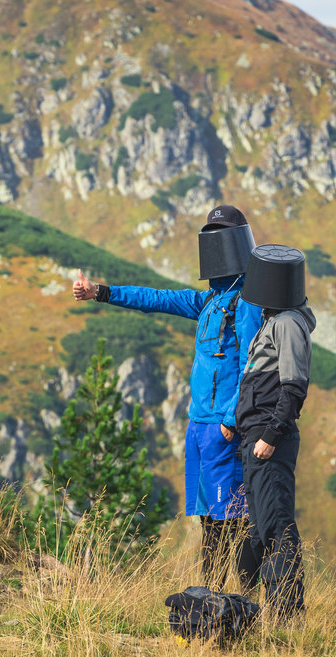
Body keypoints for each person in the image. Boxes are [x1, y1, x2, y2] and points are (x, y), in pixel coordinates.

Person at [72, 204, 260, 582]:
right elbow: (155, 299)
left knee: (233, 521)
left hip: (223, 430)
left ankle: (239, 602)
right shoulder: (208, 301)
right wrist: (101, 292)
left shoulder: (247, 303)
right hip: (198, 427)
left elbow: (250, 365)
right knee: (209, 520)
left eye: (220, 232)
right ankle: (211, 599)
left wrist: (230, 420)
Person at [235, 244, 316, 620]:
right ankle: (252, 610)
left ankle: (287, 615)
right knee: (260, 528)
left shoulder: (286, 323)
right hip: (256, 437)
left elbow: (293, 386)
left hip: (269, 439)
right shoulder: (275, 320)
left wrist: (270, 435)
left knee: (276, 525)